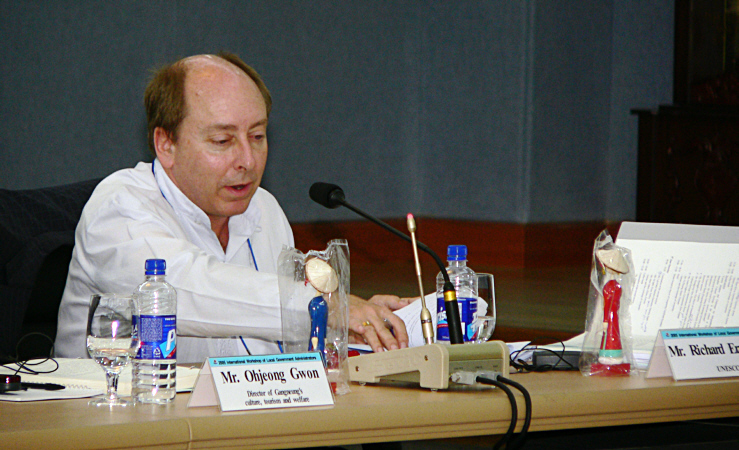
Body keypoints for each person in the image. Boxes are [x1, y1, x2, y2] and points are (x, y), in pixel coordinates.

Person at [55, 52, 409, 363]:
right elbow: (186, 291)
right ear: (166, 145)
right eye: (223, 140)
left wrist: (360, 325)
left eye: (257, 136)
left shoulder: (264, 210)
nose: (248, 160)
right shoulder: (119, 207)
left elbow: (285, 340)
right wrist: (324, 306)